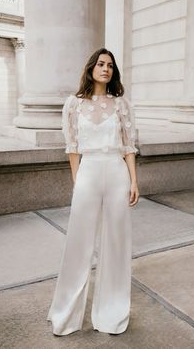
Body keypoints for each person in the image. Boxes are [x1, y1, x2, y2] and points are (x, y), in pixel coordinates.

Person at [47, 47, 139, 336]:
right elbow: (72, 148)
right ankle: (66, 314)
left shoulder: (121, 104)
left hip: (116, 172)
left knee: (116, 243)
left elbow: (128, 146)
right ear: (90, 68)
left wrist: (134, 182)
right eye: (101, 64)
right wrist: (78, 181)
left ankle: (112, 311)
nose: (106, 69)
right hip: (88, 173)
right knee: (78, 243)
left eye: (110, 65)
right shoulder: (73, 104)